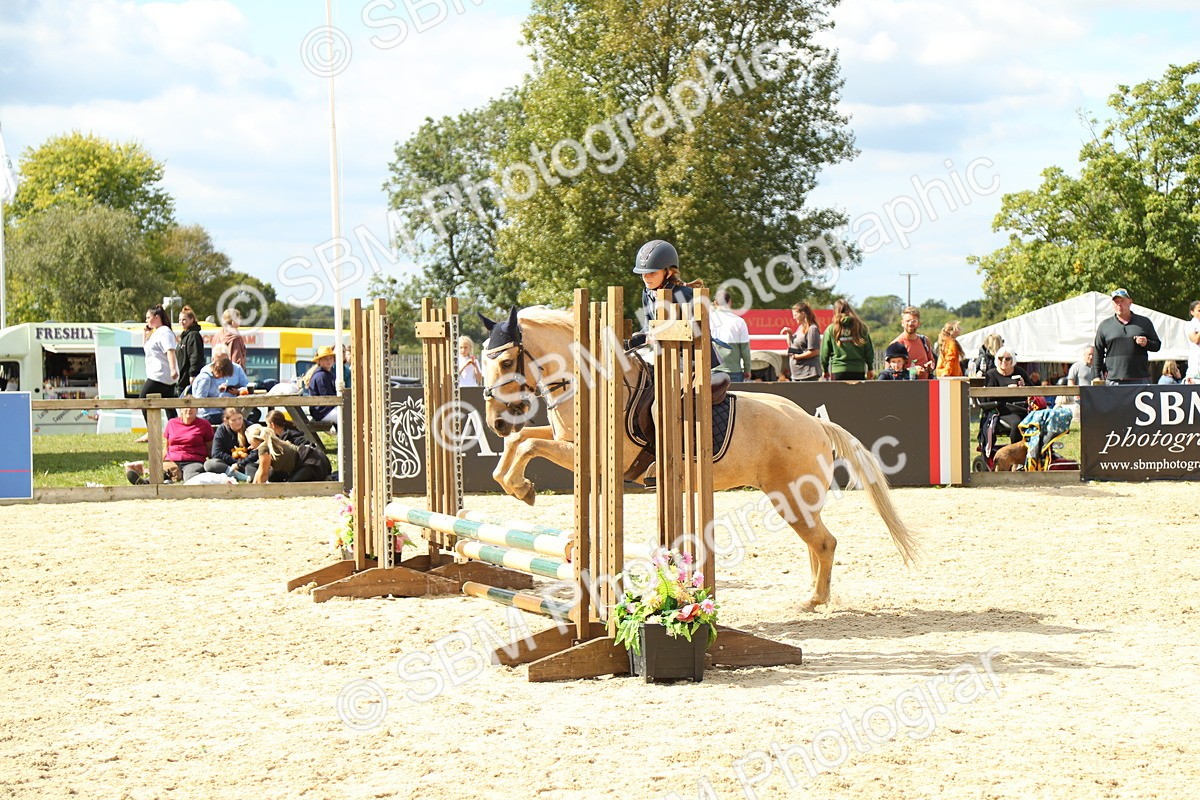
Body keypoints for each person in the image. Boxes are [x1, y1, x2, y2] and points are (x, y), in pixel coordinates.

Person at [1095, 288, 1161, 384]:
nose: (1119, 304)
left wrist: (1147, 343)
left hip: (1140, 379)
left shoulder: (1144, 322)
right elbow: (1098, 351)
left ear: (1130, 302)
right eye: (1116, 302)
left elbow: (1157, 345)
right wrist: (1096, 376)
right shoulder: (1104, 325)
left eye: (1122, 301)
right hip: (1114, 380)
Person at [139, 305, 179, 438]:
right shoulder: (156, 332)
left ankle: (152, 431)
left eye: (148, 318)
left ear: (157, 317)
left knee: (143, 399)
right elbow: (146, 348)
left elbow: (170, 350)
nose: (147, 321)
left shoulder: (165, 331)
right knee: (169, 406)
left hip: (161, 374)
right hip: (159, 374)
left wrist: (173, 368)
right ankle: (176, 433)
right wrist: (145, 334)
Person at [247, 424, 331, 483]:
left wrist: (257, 491)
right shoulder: (270, 441)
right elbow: (260, 471)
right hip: (316, 459)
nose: (249, 446)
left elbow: (263, 474)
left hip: (311, 463)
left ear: (254, 439)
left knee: (290, 487)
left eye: (249, 442)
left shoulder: (264, 447)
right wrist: (254, 486)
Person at [984, 346, 1032, 444]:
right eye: (1000, 358)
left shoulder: (1020, 372)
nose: (1004, 361)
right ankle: (1016, 451)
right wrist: (1007, 390)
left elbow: (1032, 389)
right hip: (1003, 410)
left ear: (1012, 360)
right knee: (1017, 423)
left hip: (1022, 407)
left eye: (1007, 358)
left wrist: (1024, 386)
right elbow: (988, 397)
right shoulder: (991, 374)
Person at [820, 298, 873, 380]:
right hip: (858, 370)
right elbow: (868, 350)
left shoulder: (831, 329)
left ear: (835, 311)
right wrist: (870, 368)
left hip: (838, 370)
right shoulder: (861, 327)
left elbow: (824, 352)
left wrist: (825, 369)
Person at [191, 354, 249, 425]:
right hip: (206, 414)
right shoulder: (205, 378)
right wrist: (220, 402)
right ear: (218, 370)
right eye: (223, 375)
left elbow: (209, 394)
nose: (222, 378)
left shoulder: (211, 378)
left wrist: (218, 390)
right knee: (233, 419)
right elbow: (200, 401)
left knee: (236, 417)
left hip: (214, 412)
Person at [710, 290, 752, 381]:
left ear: (715, 303)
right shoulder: (739, 322)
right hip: (733, 370)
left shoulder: (707, 320)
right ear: (730, 302)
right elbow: (745, 350)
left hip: (712, 369)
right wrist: (747, 369)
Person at [204, 407, 254, 482]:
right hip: (228, 464)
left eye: (240, 418)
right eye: (233, 420)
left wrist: (240, 464)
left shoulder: (250, 427)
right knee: (210, 464)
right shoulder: (222, 430)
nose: (238, 422)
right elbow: (216, 453)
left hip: (247, 462)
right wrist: (235, 462)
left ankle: (243, 475)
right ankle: (238, 475)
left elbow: (256, 451)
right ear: (226, 421)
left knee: (255, 470)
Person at [890, 306, 935, 379]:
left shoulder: (924, 341)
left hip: (926, 387)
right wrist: (913, 371)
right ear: (902, 323)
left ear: (919, 323)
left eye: (914, 321)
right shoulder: (896, 344)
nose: (911, 324)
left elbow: (931, 360)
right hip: (905, 388)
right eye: (907, 321)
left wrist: (930, 365)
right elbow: (890, 373)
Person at [781, 302, 821, 382]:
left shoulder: (812, 329)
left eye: (795, 315)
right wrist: (789, 334)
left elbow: (815, 351)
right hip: (797, 374)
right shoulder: (800, 328)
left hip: (808, 374)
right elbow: (792, 346)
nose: (793, 317)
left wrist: (797, 357)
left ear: (802, 314)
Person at [302, 345, 340, 424]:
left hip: (324, 410)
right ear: (319, 361)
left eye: (330, 358)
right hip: (322, 412)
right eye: (325, 358)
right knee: (347, 416)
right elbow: (328, 397)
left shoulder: (326, 373)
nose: (328, 360)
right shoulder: (321, 376)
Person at [175, 305, 205, 397]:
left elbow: (195, 356)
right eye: (180, 320)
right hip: (181, 379)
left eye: (184, 319)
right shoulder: (184, 336)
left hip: (188, 380)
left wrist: (193, 374)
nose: (181, 322)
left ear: (191, 320)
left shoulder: (193, 335)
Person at [1186, 300, 1200, 381]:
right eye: (1199, 310)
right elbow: (1195, 340)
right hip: (1196, 365)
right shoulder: (1190, 325)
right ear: (1192, 312)